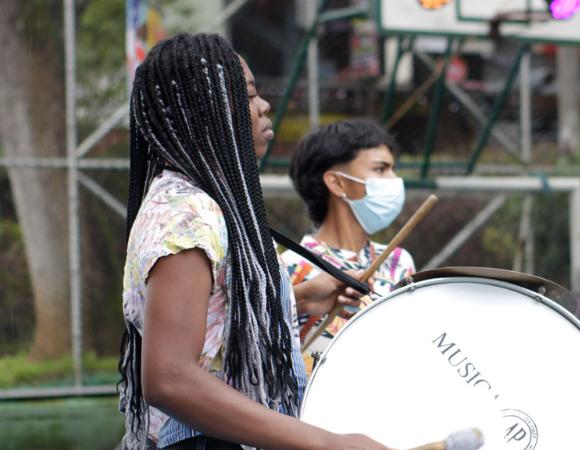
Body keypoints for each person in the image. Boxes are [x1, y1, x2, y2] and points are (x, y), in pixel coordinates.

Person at [119, 33, 391, 450]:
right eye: (247, 96)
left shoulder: (201, 203)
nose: (263, 106)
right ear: (204, 113)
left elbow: (206, 325)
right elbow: (168, 379)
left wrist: (298, 300)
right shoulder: (186, 215)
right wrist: (326, 443)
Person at [284, 120, 415, 362]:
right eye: (380, 169)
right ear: (337, 182)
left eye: (393, 168)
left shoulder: (399, 261)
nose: (394, 180)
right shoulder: (291, 267)